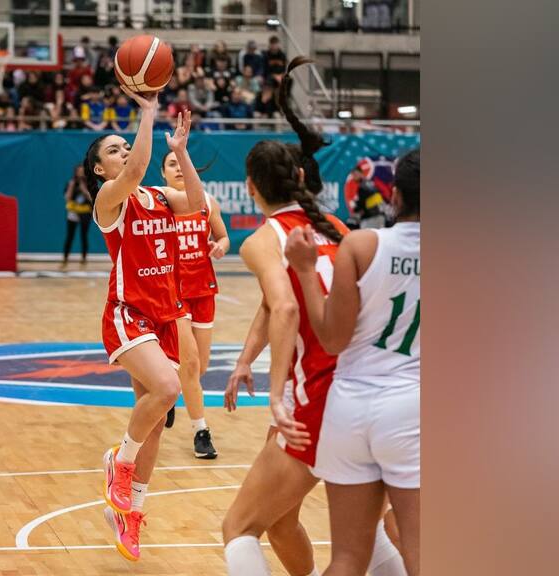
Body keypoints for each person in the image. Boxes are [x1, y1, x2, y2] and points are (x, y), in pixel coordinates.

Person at [222, 57, 407, 576]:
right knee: (323, 532)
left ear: (252, 188)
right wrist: (243, 360)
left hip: (320, 396)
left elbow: (283, 306)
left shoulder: (264, 239)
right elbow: (276, 303)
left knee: (238, 528)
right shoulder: (340, 230)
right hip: (369, 391)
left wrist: (278, 393)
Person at [284, 149, 420, 576]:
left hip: (349, 409)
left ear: (394, 196)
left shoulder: (361, 244)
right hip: (412, 408)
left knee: (346, 558)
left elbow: (332, 338)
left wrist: (306, 272)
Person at [84, 98, 204, 562]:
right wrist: (148, 113)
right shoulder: (109, 200)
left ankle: (131, 512)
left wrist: (182, 151)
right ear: (100, 170)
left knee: (154, 422)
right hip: (127, 311)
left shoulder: (158, 197)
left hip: (164, 315)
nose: (121, 154)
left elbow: (195, 203)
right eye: (113, 151)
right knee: (169, 387)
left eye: (122, 147)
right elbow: (133, 173)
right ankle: (120, 460)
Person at [160, 150, 229, 458]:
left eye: (180, 163)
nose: (177, 168)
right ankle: (201, 432)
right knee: (188, 364)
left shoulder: (206, 201)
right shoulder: (159, 204)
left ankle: (170, 394)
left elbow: (224, 236)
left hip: (203, 289)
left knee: (200, 366)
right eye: (171, 164)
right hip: (175, 292)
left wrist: (220, 246)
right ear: (162, 174)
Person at [62, 165, 93, 266]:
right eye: (78, 171)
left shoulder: (89, 183)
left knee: (84, 236)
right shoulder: (71, 183)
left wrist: (84, 189)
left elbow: (92, 199)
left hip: (85, 212)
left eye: (82, 171)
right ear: (75, 172)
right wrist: (71, 187)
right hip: (73, 212)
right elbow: (67, 198)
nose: (80, 173)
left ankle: (84, 259)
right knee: (70, 236)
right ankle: (65, 258)